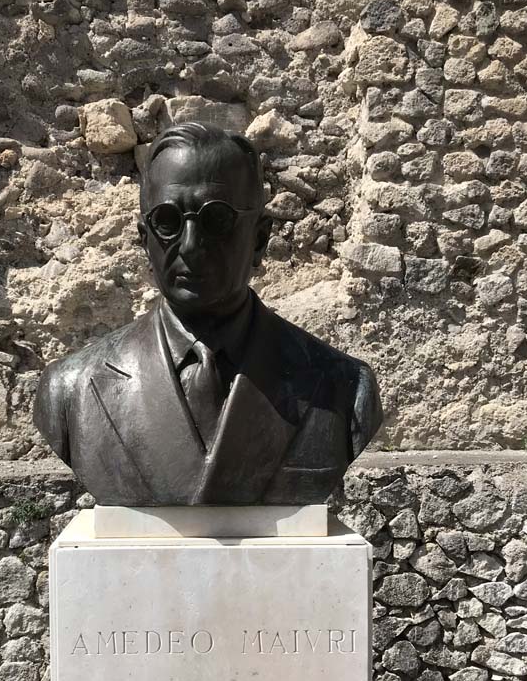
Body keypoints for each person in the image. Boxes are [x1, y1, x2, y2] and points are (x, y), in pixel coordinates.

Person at [34, 122, 382, 506]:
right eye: (166, 221)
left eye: (217, 220)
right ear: (143, 240)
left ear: (260, 238)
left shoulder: (344, 388)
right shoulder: (70, 390)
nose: (191, 246)